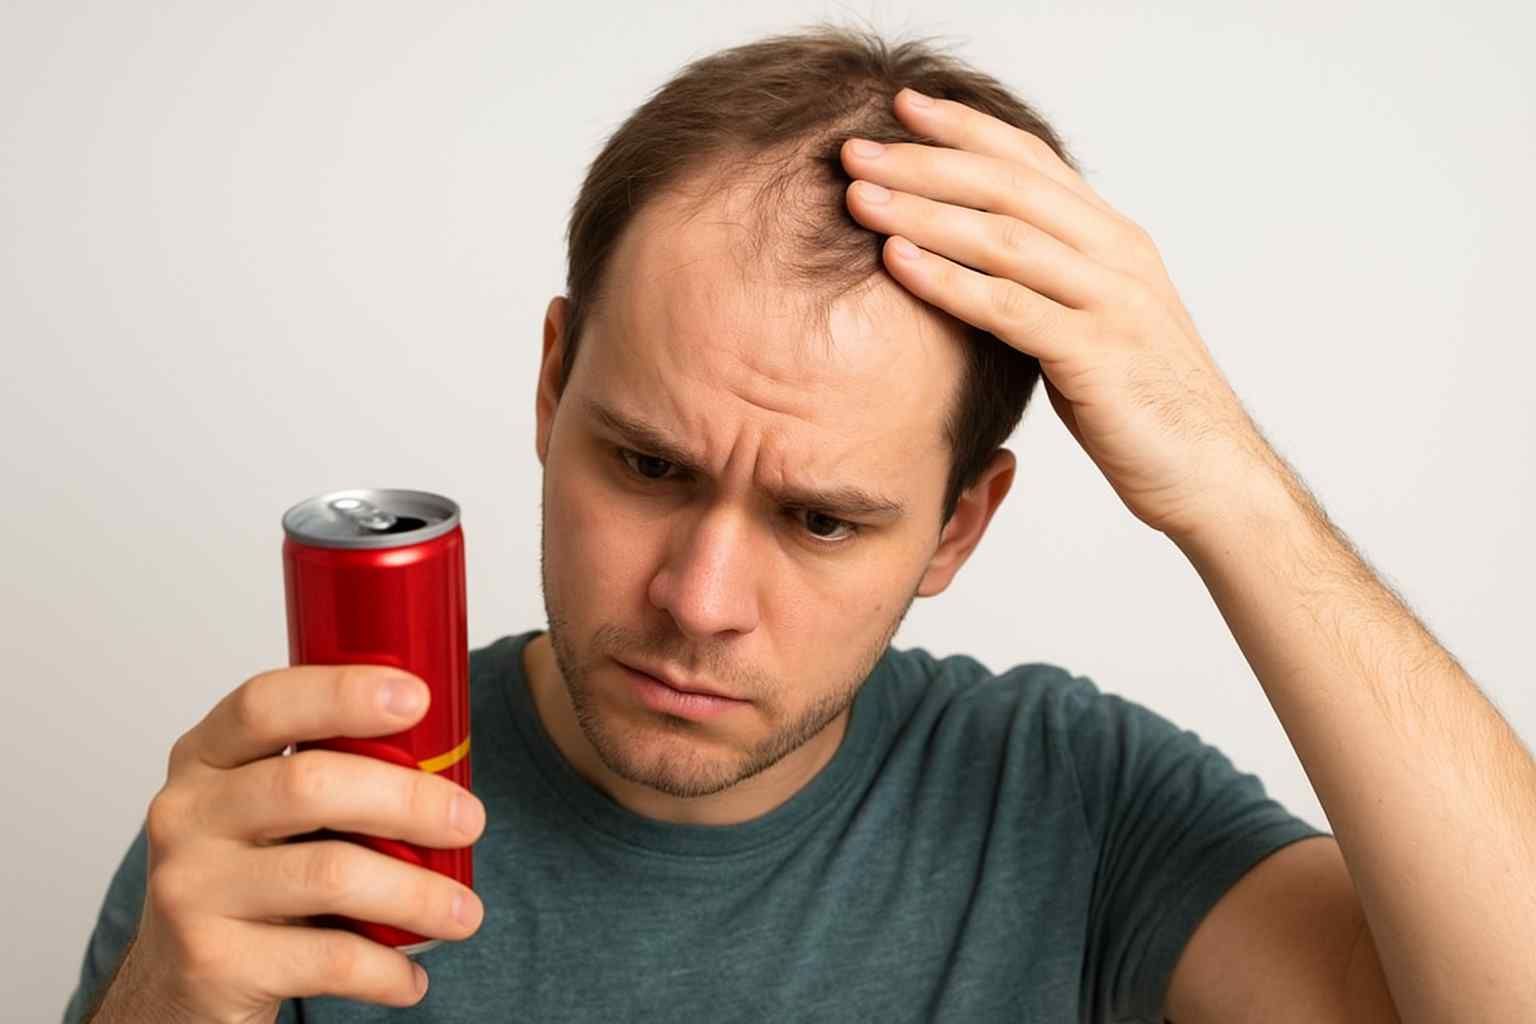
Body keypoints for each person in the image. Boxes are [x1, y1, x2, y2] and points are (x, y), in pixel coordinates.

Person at [70, 21, 1536, 1024]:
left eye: (822, 521)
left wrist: (1227, 480)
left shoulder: (1070, 803)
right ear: (550, 385)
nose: (701, 598)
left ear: (960, 529)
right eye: (647, 468)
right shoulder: (293, 823)